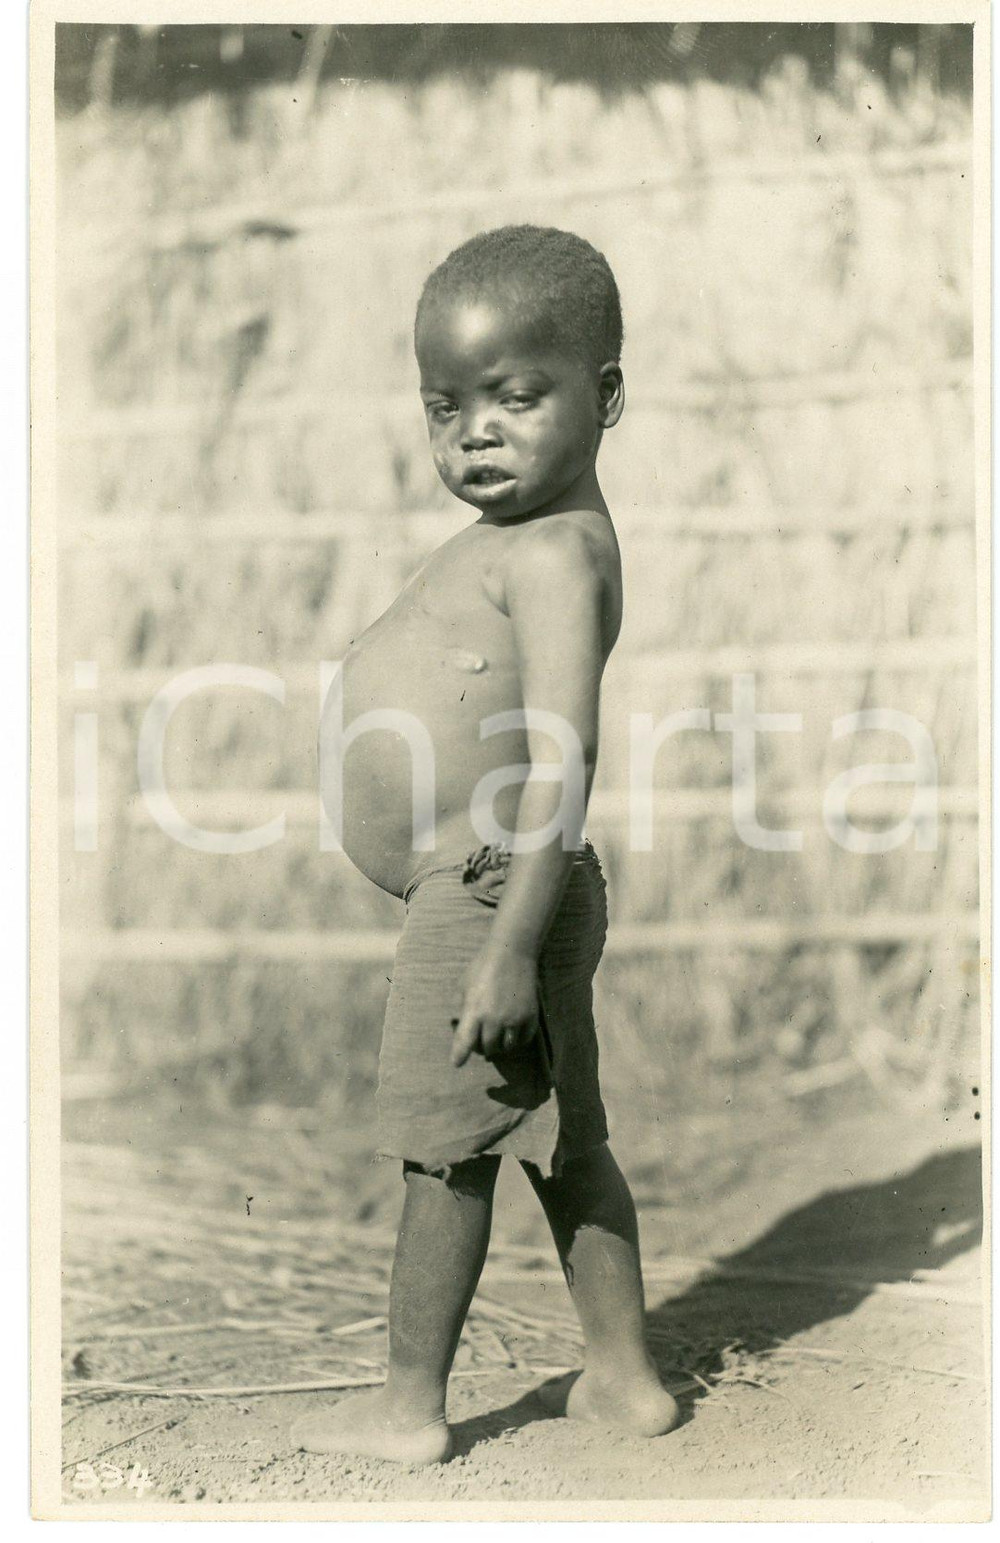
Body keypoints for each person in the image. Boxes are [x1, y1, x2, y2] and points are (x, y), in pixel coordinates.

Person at [296, 226, 679, 1464]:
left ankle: (411, 1408)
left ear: (605, 395)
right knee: (561, 1144)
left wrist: (507, 945)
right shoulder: (517, 542)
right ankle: (620, 1380)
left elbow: (565, 756)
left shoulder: (560, 552)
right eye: (446, 405)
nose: (477, 431)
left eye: (519, 397)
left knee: (440, 1151)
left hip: (492, 892)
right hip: (499, 890)